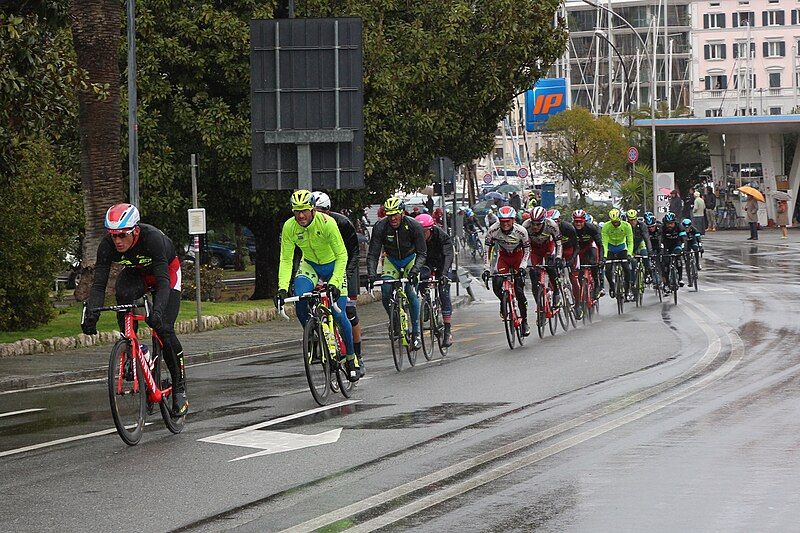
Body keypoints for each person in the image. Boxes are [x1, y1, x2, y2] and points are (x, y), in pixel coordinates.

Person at [82, 204, 189, 415]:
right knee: (122, 295)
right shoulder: (107, 246)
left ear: (135, 230)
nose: (118, 241)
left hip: (166, 273)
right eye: (113, 236)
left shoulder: (153, 239)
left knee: (164, 328)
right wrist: (91, 312)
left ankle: (179, 388)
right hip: (137, 274)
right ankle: (133, 347)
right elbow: (98, 285)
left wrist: (157, 313)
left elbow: (163, 282)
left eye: (123, 235)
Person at [277, 190, 360, 381]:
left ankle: (351, 358)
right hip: (310, 265)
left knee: (339, 314)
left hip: (333, 266)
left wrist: (335, 282)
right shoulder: (290, 227)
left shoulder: (327, 223)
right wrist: (282, 288)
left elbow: (342, 256)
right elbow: (286, 259)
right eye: (296, 211)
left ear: (313, 209)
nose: (300, 216)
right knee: (300, 299)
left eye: (304, 210)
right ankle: (314, 337)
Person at [311, 191, 365, 377]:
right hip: (323, 265)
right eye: (314, 211)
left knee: (348, 312)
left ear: (328, 211)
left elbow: (354, 253)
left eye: (320, 211)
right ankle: (319, 339)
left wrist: (346, 275)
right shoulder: (308, 225)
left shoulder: (342, 223)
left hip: (346, 266)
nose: (316, 216)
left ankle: (356, 356)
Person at [367, 197, 427, 350]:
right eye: (389, 215)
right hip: (391, 260)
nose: (392, 218)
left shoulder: (413, 226)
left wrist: (414, 271)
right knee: (386, 290)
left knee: (411, 293)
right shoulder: (380, 226)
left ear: (402, 213)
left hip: (410, 259)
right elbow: (373, 254)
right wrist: (371, 274)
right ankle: (394, 319)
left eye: (395, 214)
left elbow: (422, 253)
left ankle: (416, 333)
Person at [482, 205, 531, 336]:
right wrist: (487, 269)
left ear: (513, 220)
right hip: (504, 257)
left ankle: (524, 321)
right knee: (497, 284)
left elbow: (527, 251)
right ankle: (504, 301)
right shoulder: (493, 230)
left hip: (518, 257)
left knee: (519, 291)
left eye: (508, 221)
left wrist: (522, 267)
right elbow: (487, 250)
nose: (505, 224)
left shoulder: (521, 231)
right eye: (502, 221)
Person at [415, 214, 454, 346]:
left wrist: (444, 274)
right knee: (420, 278)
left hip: (442, 262)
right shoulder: (416, 237)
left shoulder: (441, 236)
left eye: (424, 232)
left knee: (443, 292)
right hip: (426, 262)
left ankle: (448, 330)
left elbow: (448, 255)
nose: (421, 235)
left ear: (430, 229)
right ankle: (426, 301)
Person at [523, 206, 563, 306]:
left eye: (538, 224)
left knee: (551, 268)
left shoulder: (551, 225)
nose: (535, 227)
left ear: (544, 221)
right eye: (533, 224)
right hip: (535, 249)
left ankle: (556, 292)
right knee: (533, 275)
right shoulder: (526, 225)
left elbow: (558, 243)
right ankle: (539, 304)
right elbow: (522, 244)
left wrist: (558, 257)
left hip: (548, 247)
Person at [572, 209, 604, 302]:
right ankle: (581, 295)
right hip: (578, 250)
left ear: (584, 221)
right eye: (576, 222)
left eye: (580, 222)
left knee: (594, 264)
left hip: (590, 247)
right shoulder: (571, 229)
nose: (578, 224)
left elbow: (600, 245)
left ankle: (597, 286)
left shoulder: (591, 228)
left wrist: (601, 259)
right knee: (580, 273)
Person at [601, 208, 634, 300]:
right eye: (613, 222)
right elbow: (605, 242)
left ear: (620, 219)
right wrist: (604, 256)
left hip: (622, 248)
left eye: (616, 222)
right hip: (610, 248)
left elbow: (630, 241)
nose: (614, 224)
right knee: (607, 269)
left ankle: (627, 290)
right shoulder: (606, 226)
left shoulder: (626, 226)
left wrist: (629, 254)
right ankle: (612, 286)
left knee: (627, 269)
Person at [659, 212, 687, 291]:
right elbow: (660, 239)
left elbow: (684, 239)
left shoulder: (679, 226)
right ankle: (666, 283)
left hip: (676, 244)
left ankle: (680, 278)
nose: (670, 225)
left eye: (671, 223)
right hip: (666, 245)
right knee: (665, 264)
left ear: (675, 222)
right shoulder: (662, 227)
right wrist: (661, 250)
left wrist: (684, 249)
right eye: (668, 223)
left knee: (678, 259)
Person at [628, 209, 653, 282]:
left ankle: (648, 273)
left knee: (645, 255)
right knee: (633, 263)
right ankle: (632, 281)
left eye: (634, 219)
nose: (633, 222)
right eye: (631, 220)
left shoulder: (642, 225)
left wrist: (649, 250)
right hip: (630, 244)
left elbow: (646, 238)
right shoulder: (626, 225)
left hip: (640, 243)